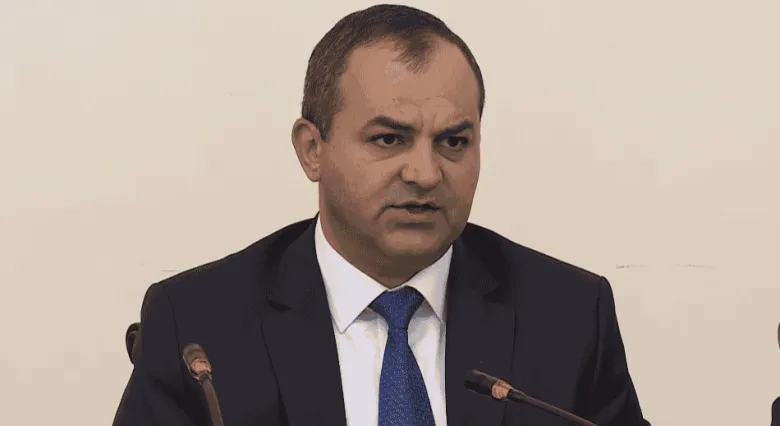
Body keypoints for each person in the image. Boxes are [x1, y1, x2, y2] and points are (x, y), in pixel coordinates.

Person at [113, 4, 650, 425]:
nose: (425, 173)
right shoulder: (199, 327)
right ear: (312, 150)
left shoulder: (567, 316)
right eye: (389, 139)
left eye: (453, 142)